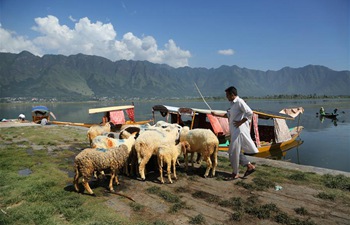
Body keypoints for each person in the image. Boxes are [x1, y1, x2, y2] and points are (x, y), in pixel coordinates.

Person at [212, 86, 258, 180]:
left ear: (232, 95)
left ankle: (235, 173)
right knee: (235, 151)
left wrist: (240, 122)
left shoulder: (239, 102)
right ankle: (249, 166)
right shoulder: (233, 104)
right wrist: (215, 114)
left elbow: (250, 112)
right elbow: (228, 115)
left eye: (227, 95)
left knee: (233, 152)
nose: (226, 97)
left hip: (239, 131)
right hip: (235, 131)